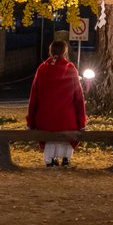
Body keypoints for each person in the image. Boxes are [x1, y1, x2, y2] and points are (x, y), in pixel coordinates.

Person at [27, 39, 87, 167]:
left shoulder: (42, 68)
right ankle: (66, 158)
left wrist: (31, 122)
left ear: (50, 52)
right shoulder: (70, 68)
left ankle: (51, 158)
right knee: (67, 123)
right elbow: (79, 99)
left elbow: (34, 98)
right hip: (67, 121)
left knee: (50, 126)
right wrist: (82, 123)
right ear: (65, 52)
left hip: (45, 121)